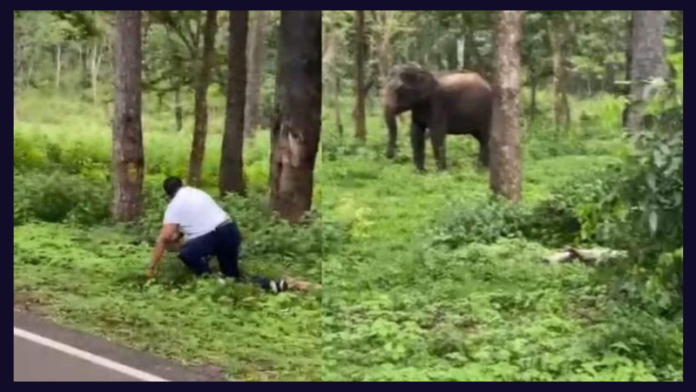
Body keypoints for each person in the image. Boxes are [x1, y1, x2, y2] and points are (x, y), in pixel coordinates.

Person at [146, 176, 287, 293]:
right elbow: (198, 221)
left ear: (168, 195)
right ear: (182, 184)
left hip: (214, 235)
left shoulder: (174, 205)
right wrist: (178, 237)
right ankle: (271, 285)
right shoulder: (197, 193)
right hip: (230, 230)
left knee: (187, 254)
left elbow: (163, 238)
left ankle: (212, 281)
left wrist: (152, 267)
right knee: (232, 275)